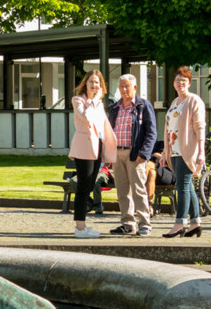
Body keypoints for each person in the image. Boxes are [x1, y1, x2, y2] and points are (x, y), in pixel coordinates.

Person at [105, 74, 156, 236]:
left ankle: (144, 223)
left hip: (135, 154)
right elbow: (108, 132)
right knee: (122, 191)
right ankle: (127, 223)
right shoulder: (114, 108)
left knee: (138, 190)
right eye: (121, 86)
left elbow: (151, 132)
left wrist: (144, 153)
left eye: (127, 86)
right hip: (117, 153)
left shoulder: (143, 106)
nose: (124, 89)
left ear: (135, 87)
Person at [66, 70, 115, 238]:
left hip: (98, 148)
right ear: (85, 83)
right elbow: (86, 117)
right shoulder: (79, 100)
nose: (95, 85)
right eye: (92, 82)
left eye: (98, 82)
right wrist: (93, 100)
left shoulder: (98, 103)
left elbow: (102, 127)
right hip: (84, 148)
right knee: (83, 187)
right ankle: (80, 228)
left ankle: (83, 225)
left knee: (89, 186)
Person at [162, 67, 207, 238]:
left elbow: (199, 127)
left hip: (188, 150)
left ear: (189, 83)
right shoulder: (175, 103)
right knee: (187, 186)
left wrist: (201, 151)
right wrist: (166, 153)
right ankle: (195, 222)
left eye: (184, 80)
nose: (180, 83)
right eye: (177, 80)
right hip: (174, 150)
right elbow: (168, 128)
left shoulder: (194, 101)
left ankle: (180, 222)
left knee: (182, 186)